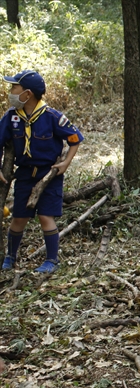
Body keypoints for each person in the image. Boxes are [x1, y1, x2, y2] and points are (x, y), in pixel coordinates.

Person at [0, 70, 84, 274]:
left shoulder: (52, 117)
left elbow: (75, 139)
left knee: (46, 216)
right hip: (24, 174)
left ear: (27, 94)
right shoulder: (11, 117)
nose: (10, 92)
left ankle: (51, 260)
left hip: (49, 175)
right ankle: (10, 256)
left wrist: (65, 164)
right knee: (19, 217)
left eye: (14, 88)